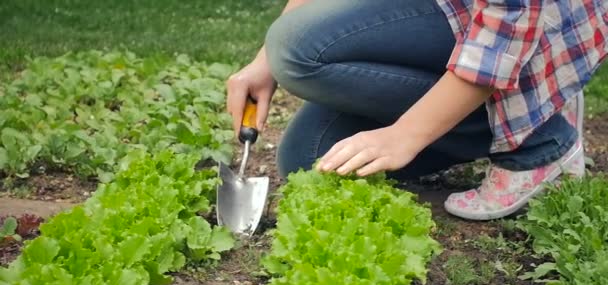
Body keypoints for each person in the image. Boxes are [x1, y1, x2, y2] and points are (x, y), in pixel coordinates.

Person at [226, 0, 607, 220]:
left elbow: (504, 30)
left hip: (527, 24)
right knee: (308, 157)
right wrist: (264, 62)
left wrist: (407, 134)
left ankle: (539, 132)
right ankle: (496, 112)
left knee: (295, 50)